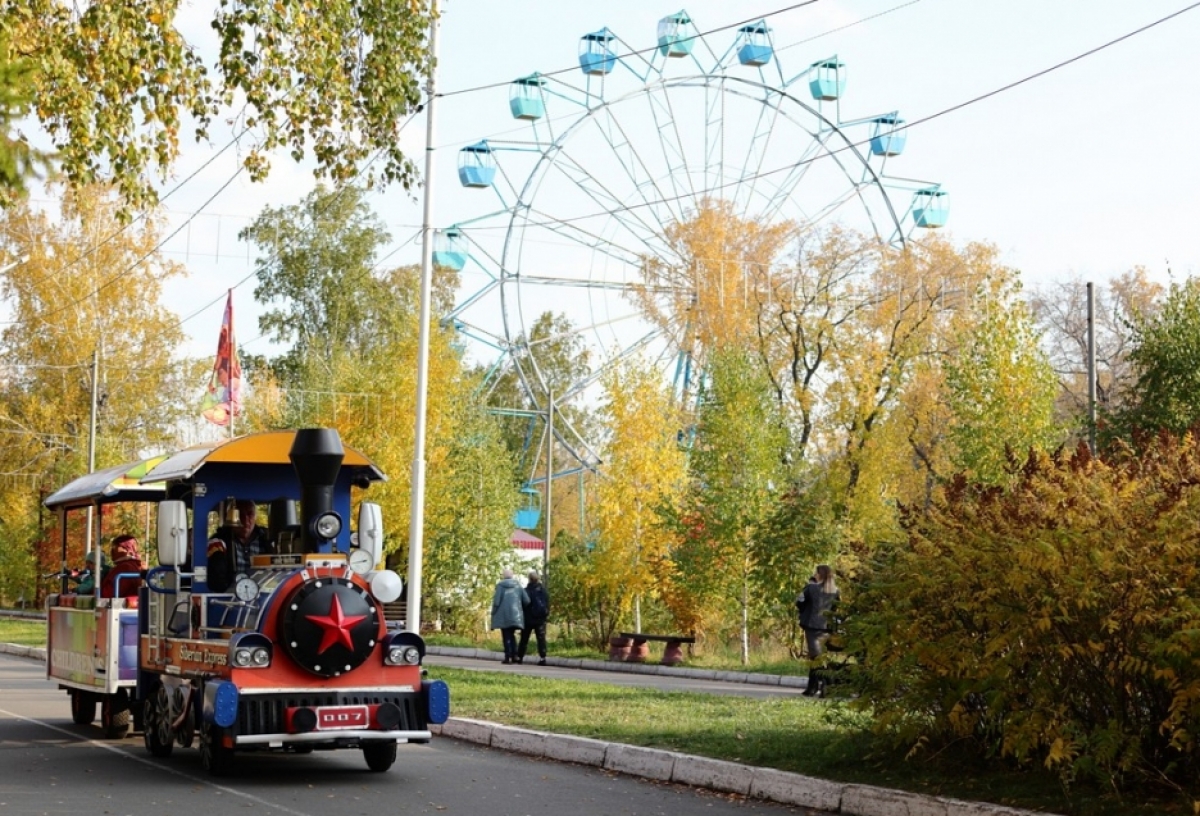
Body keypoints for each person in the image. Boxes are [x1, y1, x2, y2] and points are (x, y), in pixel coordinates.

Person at [207, 499, 274, 592]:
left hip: (264, 594)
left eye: (250, 514)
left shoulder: (268, 540)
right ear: (230, 518)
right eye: (239, 515)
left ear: (255, 517)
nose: (245, 520)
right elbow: (216, 578)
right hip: (229, 596)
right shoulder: (218, 542)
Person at [797, 564, 839, 696]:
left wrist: (805, 611)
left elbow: (799, 603)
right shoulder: (836, 590)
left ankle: (829, 686)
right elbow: (835, 608)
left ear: (819, 575)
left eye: (816, 573)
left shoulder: (810, 588)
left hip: (812, 627)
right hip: (826, 628)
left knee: (817, 659)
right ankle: (812, 688)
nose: (814, 574)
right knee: (816, 658)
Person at [490, 568, 529, 665]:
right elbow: (527, 600)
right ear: (512, 575)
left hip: (503, 615)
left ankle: (508, 657)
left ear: (503, 576)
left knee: (506, 635)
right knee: (512, 635)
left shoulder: (500, 586)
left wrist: (493, 613)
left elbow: (496, 602)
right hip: (516, 615)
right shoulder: (518, 586)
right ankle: (514, 655)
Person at [516, 569, 550, 665]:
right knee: (541, 638)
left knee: (524, 638)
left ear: (529, 579)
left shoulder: (525, 591)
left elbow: (522, 604)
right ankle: (543, 658)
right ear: (538, 579)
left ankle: (520, 657)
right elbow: (547, 603)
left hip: (528, 619)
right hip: (540, 619)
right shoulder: (543, 591)